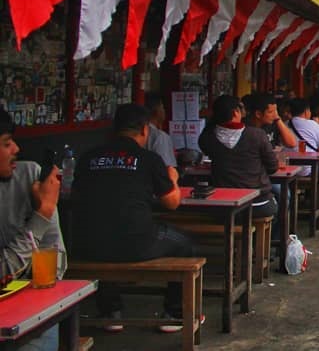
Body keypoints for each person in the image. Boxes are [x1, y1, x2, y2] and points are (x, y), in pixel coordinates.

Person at [71, 104, 194, 334]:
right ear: (145, 130)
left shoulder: (89, 157)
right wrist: (173, 178)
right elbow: (172, 203)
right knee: (185, 243)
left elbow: (76, 195)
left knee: (105, 233)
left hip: (89, 243)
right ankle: (174, 313)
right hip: (137, 242)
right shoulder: (149, 159)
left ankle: (110, 311)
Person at [0, 108, 65, 351]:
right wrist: (42, 214)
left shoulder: (30, 176)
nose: (16, 149)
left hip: (30, 304)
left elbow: (55, 261)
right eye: (6, 144)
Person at [198, 96, 278, 220]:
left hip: (223, 203)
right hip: (258, 203)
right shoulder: (257, 135)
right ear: (236, 112)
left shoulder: (207, 137)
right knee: (279, 202)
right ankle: (276, 239)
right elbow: (273, 167)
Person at [143, 93, 181, 176]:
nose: (164, 111)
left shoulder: (137, 132)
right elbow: (168, 169)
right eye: (163, 107)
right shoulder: (160, 136)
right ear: (157, 110)